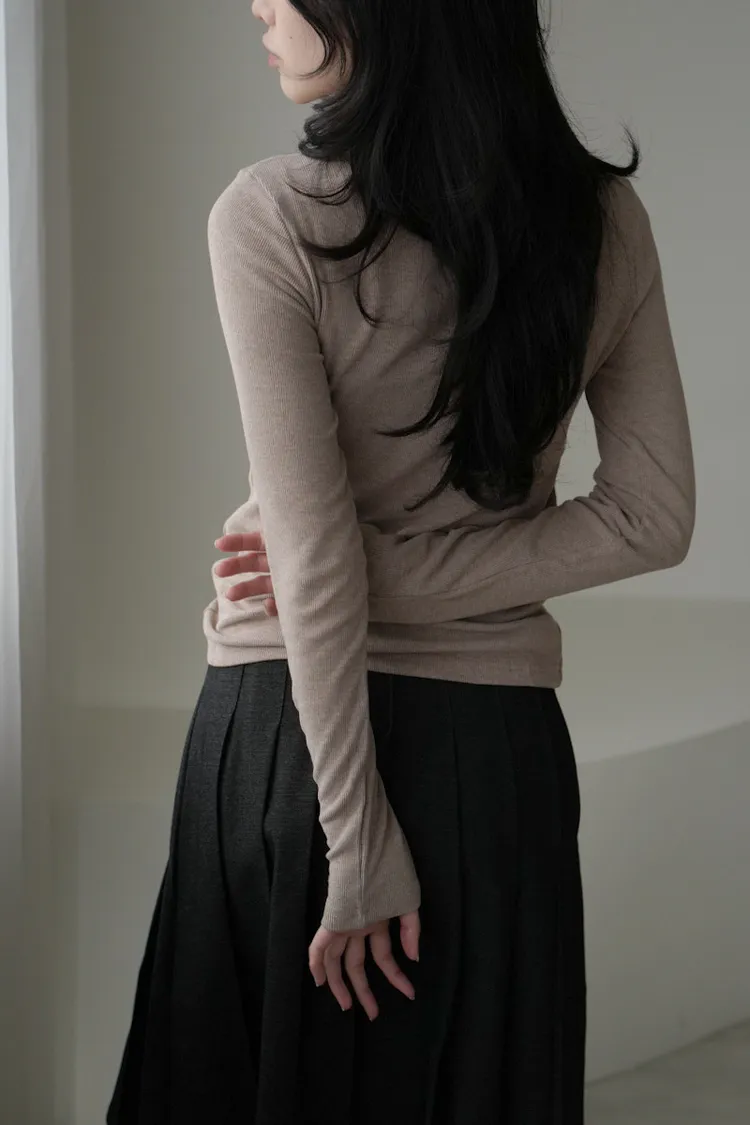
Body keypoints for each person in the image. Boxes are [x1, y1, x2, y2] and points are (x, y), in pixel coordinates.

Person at [106, 1, 696, 1122]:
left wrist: (357, 834)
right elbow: (651, 517)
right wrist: (364, 574)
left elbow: (314, 556)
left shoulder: (273, 215)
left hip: (290, 742)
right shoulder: (603, 223)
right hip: (494, 754)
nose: (258, 5)